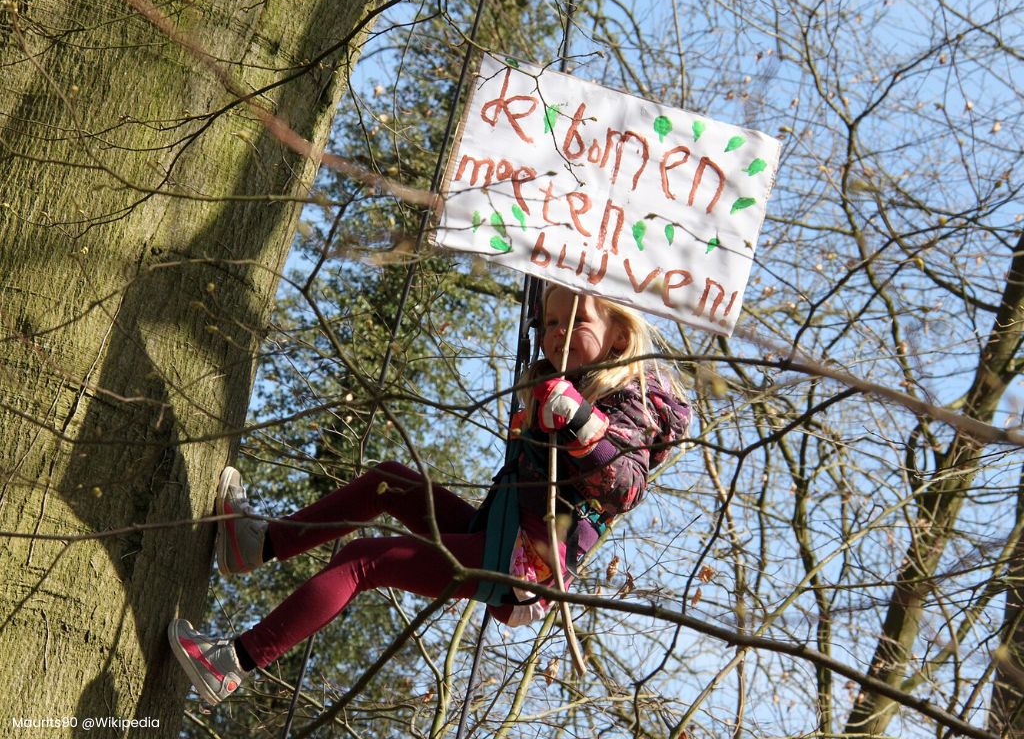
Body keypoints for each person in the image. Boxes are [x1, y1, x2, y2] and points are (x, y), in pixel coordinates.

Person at [168, 284, 691, 705]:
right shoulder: (554, 382)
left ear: (619, 339)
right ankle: (258, 544)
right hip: (498, 529)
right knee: (389, 482)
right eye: (550, 323)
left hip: (520, 564)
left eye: (574, 322)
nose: (557, 334)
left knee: (363, 561)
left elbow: (624, 485)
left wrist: (577, 421)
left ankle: (232, 663)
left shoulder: (634, 403)